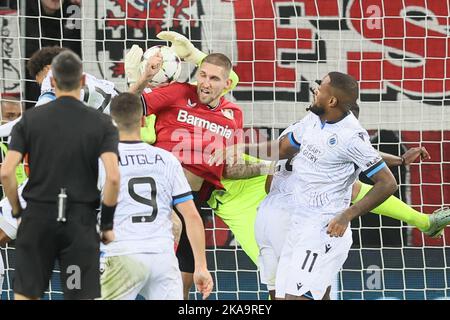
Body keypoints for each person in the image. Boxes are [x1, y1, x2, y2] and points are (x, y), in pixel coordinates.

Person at [210, 71, 399, 300]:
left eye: (320, 89)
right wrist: (242, 149)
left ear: (331, 101)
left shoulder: (350, 136)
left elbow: (388, 183)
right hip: (298, 225)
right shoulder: (313, 120)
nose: (314, 91)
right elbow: (281, 149)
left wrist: (347, 215)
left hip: (324, 229)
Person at [0, 50, 120, 300]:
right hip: (80, 219)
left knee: (27, 293)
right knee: (77, 293)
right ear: (83, 80)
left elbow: (6, 172)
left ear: (51, 81)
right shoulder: (103, 122)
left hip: (39, 214)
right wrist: (106, 223)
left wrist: (16, 210)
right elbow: (113, 178)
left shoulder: (32, 119)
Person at [128, 48, 243, 299]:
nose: (205, 83)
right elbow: (126, 108)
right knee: (140, 276)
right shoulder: (179, 92)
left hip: (193, 203)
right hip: (157, 194)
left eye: (214, 79)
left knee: (181, 287)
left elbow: (232, 165)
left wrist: (242, 158)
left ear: (227, 83)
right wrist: (144, 78)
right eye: (202, 75)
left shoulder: (233, 115)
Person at [98, 93, 213, 300]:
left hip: (121, 254)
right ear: (143, 121)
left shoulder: (101, 159)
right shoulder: (166, 159)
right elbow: (192, 216)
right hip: (162, 257)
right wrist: (201, 266)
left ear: (111, 122)